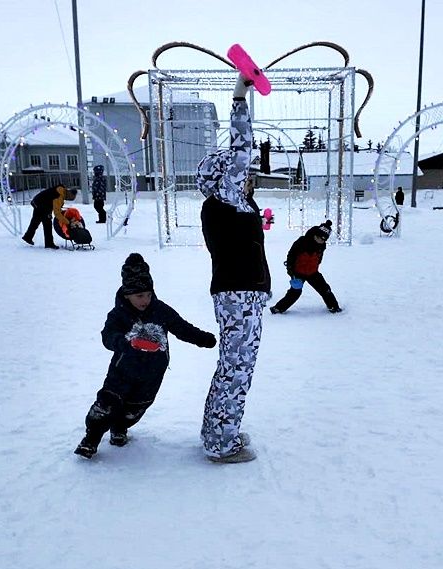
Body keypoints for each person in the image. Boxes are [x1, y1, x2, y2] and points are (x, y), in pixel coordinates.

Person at [195, 73, 271, 464]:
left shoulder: (231, 206)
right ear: (227, 175)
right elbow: (242, 149)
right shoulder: (224, 198)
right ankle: (222, 444)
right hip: (238, 295)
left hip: (241, 294)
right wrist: (241, 96)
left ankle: (217, 433)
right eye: (244, 175)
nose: (249, 179)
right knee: (236, 369)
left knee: (233, 366)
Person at [74, 253, 217, 459]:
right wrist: (120, 342)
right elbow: (107, 335)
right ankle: (91, 438)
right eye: (139, 296)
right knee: (107, 404)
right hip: (122, 370)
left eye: (148, 294)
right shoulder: (118, 314)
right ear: (127, 294)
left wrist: (203, 339)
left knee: (135, 408)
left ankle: (120, 428)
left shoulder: (160, 310)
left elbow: (181, 327)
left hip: (152, 373)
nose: (145, 300)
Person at [269, 220, 342, 315]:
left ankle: (334, 307)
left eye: (323, 239)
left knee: (325, 289)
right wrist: (291, 271)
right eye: (319, 237)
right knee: (295, 293)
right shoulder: (302, 242)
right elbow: (291, 256)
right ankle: (278, 308)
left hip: (313, 273)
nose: (320, 240)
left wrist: (316, 266)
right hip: (298, 273)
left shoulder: (322, 246)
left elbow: (319, 258)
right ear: (315, 234)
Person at [22, 184, 77, 249]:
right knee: (47, 224)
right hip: (42, 205)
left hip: (37, 201)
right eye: (69, 199)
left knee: (36, 221)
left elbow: (56, 207)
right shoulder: (58, 196)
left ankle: (27, 237)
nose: (67, 199)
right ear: (69, 195)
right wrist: (68, 222)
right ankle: (49, 243)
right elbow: (57, 213)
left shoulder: (62, 190)